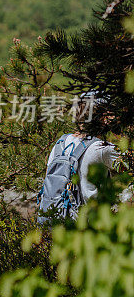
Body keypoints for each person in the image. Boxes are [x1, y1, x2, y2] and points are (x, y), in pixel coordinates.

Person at [37, 92, 119, 222]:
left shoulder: (61, 143)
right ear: (103, 118)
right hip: (92, 225)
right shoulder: (103, 148)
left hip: (56, 220)